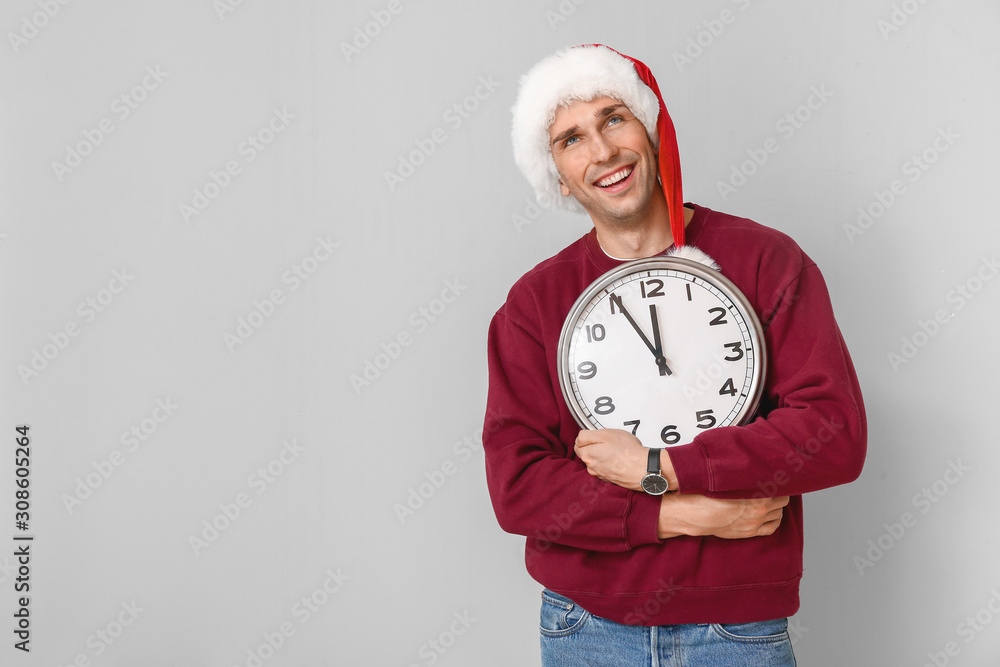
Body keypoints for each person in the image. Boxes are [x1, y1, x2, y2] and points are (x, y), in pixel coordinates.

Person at [483, 44, 867, 666]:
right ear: (557, 174)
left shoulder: (768, 262)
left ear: (653, 127)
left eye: (614, 118)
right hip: (587, 625)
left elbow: (833, 432)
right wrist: (677, 512)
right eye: (571, 139)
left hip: (735, 628)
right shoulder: (534, 305)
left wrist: (656, 464)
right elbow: (519, 487)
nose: (603, 152)